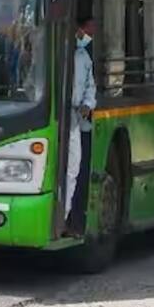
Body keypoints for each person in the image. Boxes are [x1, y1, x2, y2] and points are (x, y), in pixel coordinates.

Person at [66, 16, 96, 235]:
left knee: (73, 170)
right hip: (55, 116)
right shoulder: (55, 53)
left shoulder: (83, 56)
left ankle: (66, 218)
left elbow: (90, 86)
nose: (86, 36)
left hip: (76, 118)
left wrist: (87, 105)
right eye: (85, 30)